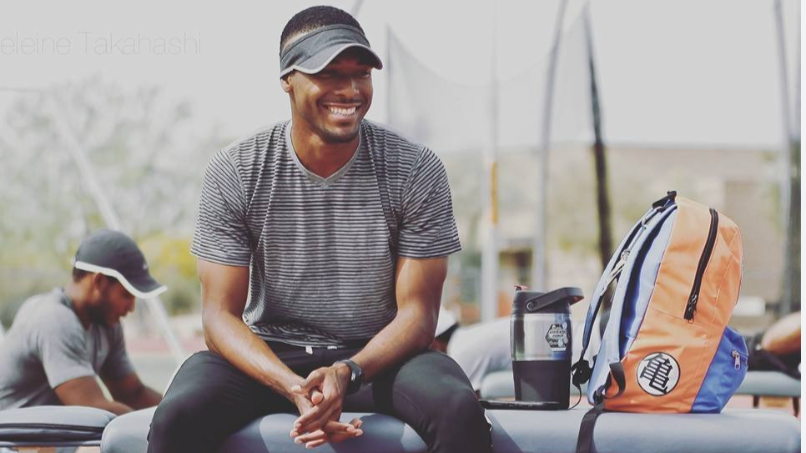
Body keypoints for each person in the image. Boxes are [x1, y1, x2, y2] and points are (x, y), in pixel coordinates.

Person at [147, 6, 491, 453]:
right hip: (271, 355)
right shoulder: (236, 170)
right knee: (176, 417)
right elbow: (218, 318)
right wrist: (291, 386)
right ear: (288, 79)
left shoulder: (415, 169)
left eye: (361, 74)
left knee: (458, 409)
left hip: (379, 356)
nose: (349, 90)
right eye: (329, 74)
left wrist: (347, 370)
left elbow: (419, 316)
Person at [0, 229, 164, 415]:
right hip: (9, 440)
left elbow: (133, 394)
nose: (132, 307)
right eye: (127, 295)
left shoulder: (108, 325)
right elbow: (93, 411)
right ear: (100, 282)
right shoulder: (54, 319)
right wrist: (162, 427)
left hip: (46, 441)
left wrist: (180, 413)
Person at [432, 307, 601, 392]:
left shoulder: (460, 352)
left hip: (590, 350)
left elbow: (466, 404)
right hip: (591, 335)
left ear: (435, 342)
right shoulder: (468, 338)